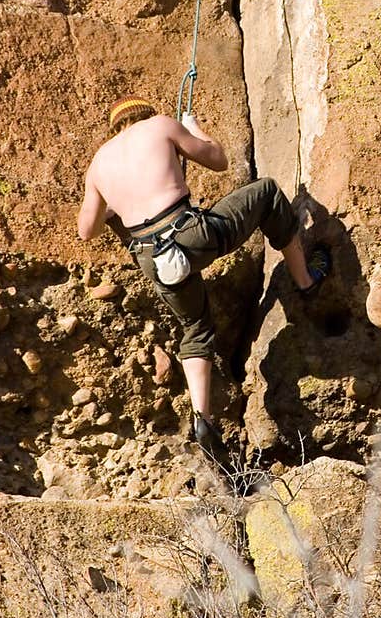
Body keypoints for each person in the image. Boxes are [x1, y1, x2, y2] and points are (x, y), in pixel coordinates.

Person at [76, 96, 331, 460]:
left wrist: (117, 206)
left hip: (152, 256)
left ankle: (203, 418)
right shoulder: (161, 125)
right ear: (144, 114)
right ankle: (306, 279)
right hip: (192, 234)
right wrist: (192, 126)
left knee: (195, 326)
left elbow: (87, 230)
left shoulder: (99, 163)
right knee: (268, 193)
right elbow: (218, 160)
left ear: (115, 127)